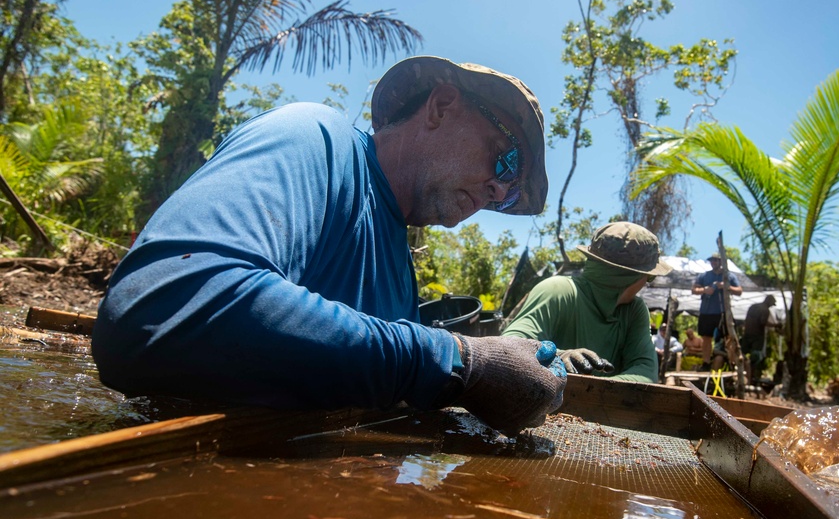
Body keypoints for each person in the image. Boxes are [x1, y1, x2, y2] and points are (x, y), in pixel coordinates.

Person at [91, 56, 566, 436]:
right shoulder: (315, 139)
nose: (499, 193)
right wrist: (459, 362)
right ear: (441, 107)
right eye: (506, 163)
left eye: (509, 199)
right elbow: (156, 309)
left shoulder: (399, 263)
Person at [501, 221, 671, 383]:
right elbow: (509, 348)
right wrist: (558, 357)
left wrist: (592, 391)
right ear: (629, 277)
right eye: (650, 277)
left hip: (602, 410)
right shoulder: (559, 291)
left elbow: (646, 372)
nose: (647, 283)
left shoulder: (634, 311)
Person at [692, 252, 742, 370]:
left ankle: (732, 362)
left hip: (723, 311)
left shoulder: (729, 276)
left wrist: (726, 286)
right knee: (706, 337)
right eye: (712, 261)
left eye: (716, 260)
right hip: (706, 311)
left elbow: (739, 291)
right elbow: (694, 290)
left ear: (721, 261)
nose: (713, 262)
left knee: (729, 337)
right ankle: (706, 362)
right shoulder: (704, 276)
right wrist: (705, 290)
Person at [740, 294, 779, 383]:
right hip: (757, 337)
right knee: (755, 358)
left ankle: (747, 376)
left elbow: (747, 320)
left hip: (747, 334)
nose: (771, 306)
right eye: (772, 304)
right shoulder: (765, 310)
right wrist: (776, 325)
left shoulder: (753, 307)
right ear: (768, 301)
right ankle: (752, 377)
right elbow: (763, 322)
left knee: (743, 355)